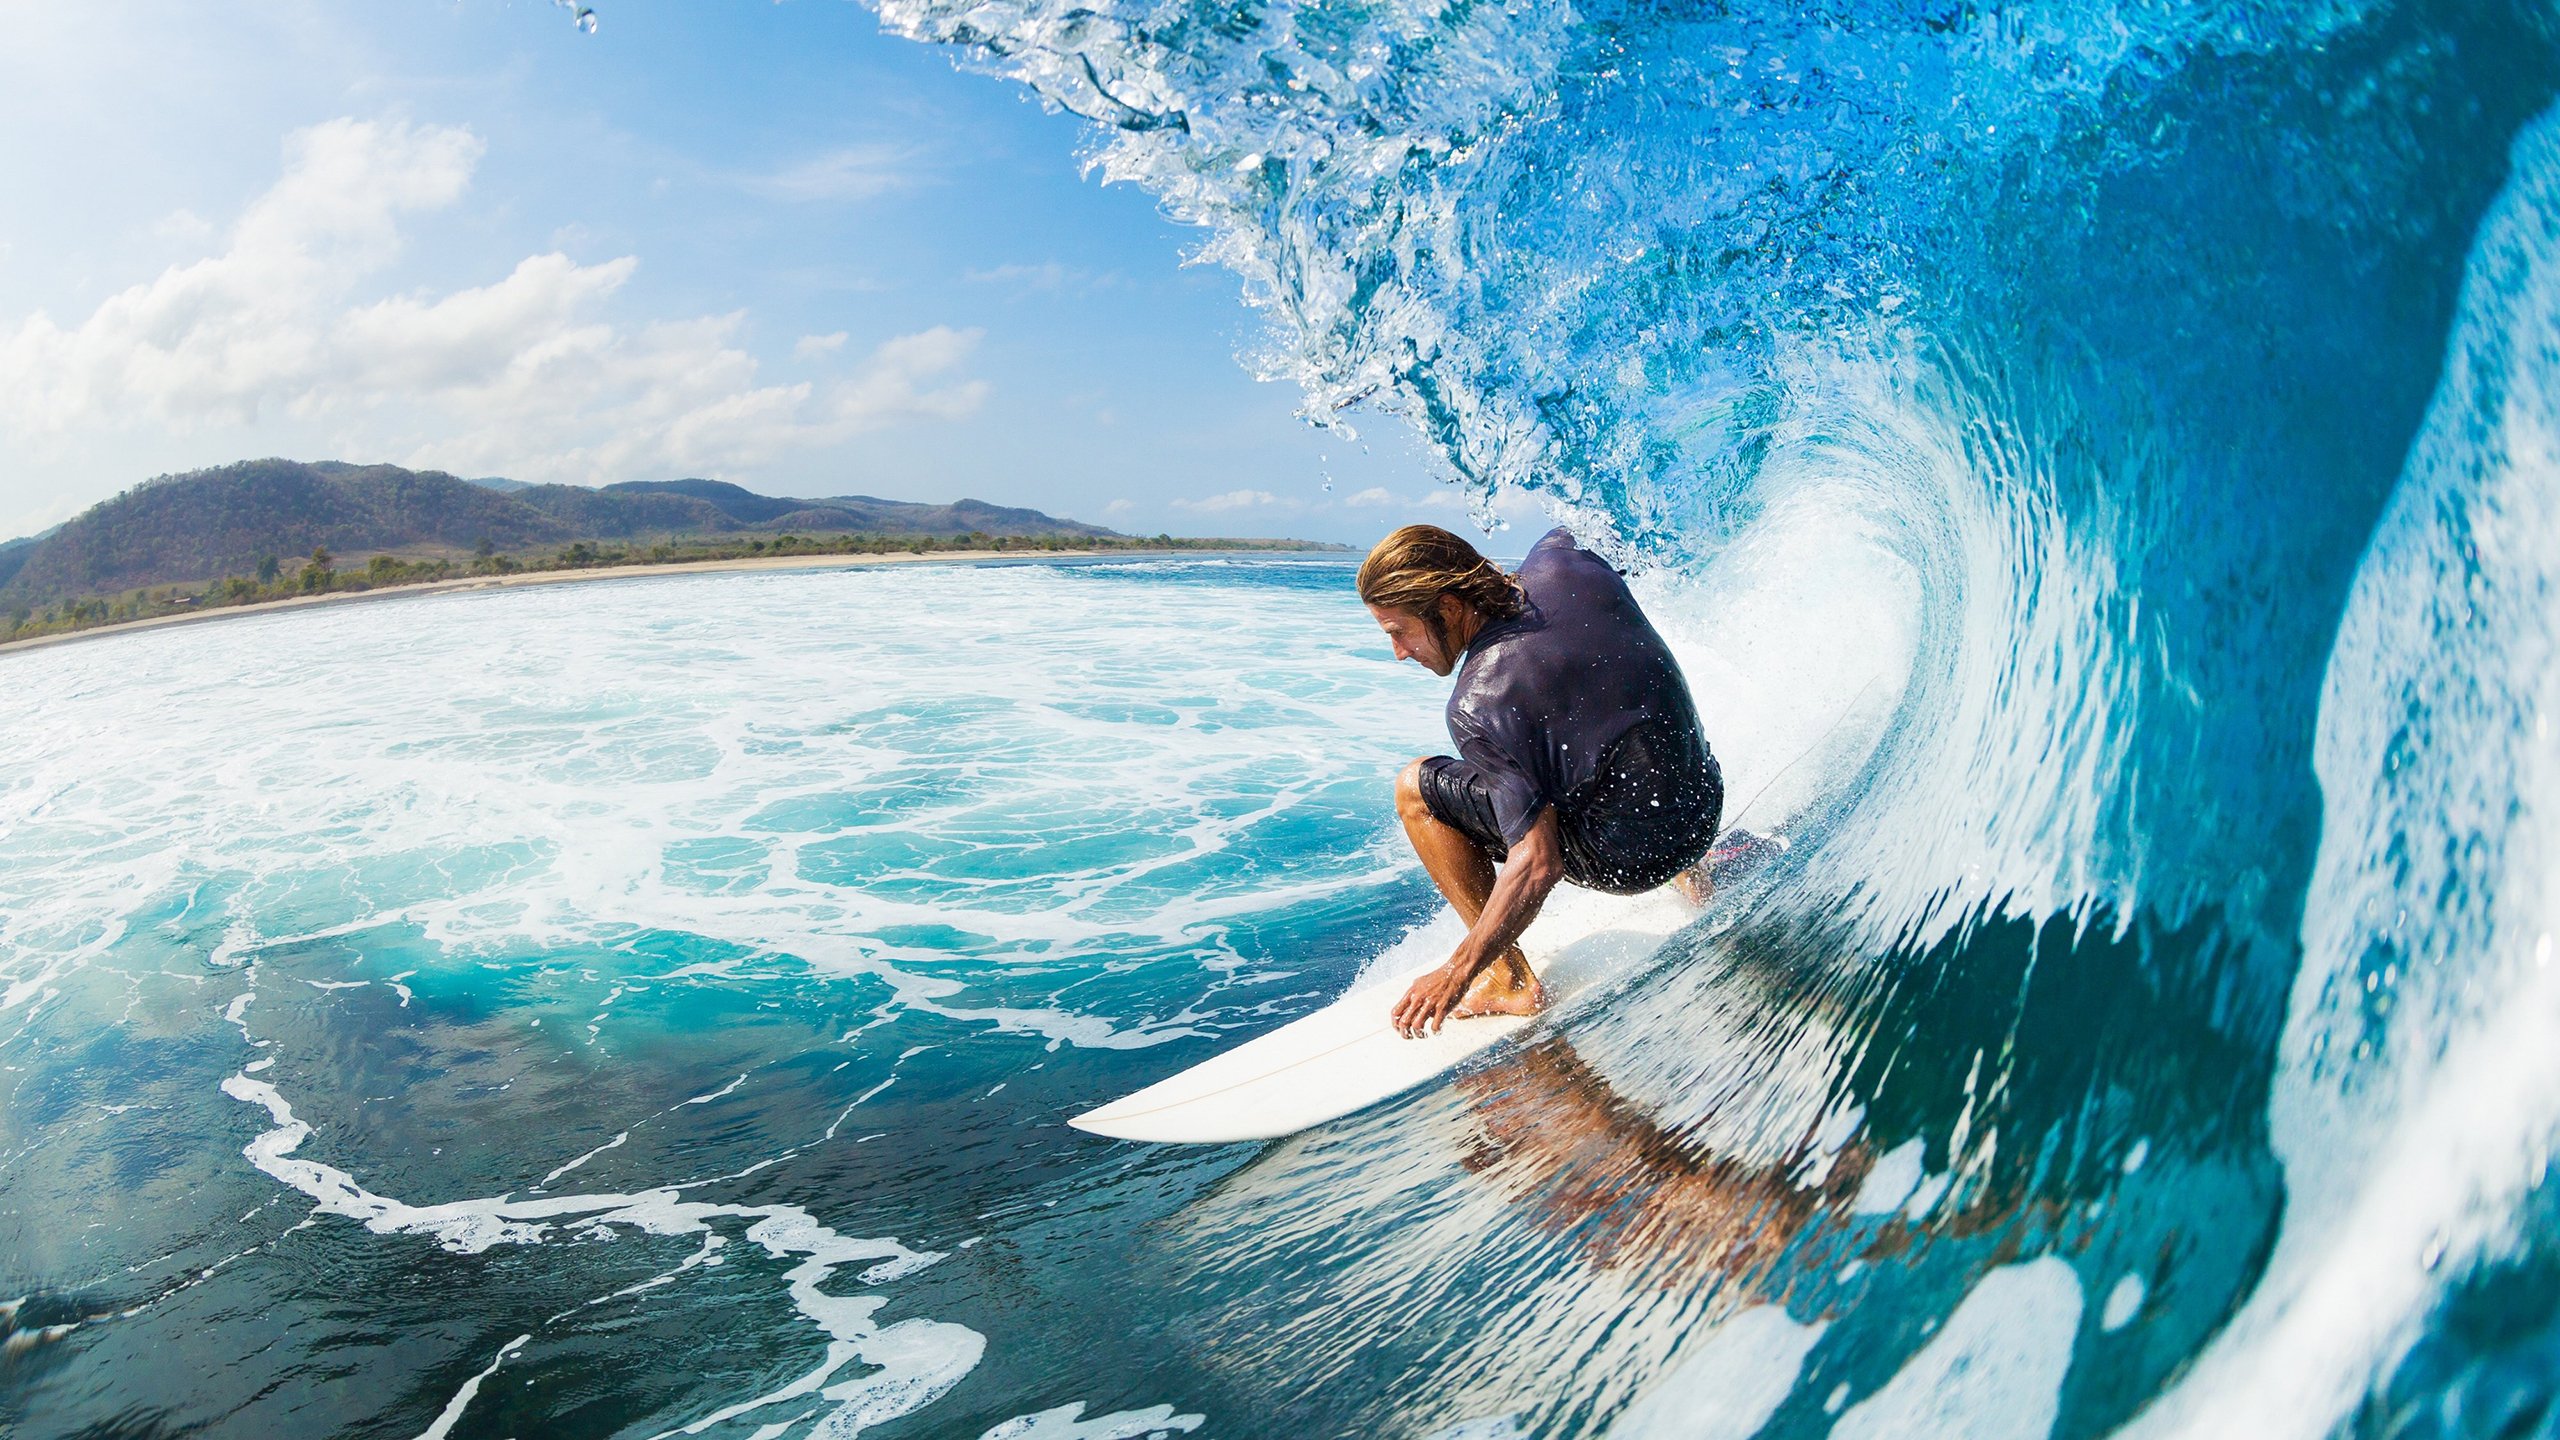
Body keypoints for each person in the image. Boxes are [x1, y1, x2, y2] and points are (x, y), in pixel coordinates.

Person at [1360, 524, 1723, 1038]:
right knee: (1593, 716)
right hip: (1702, 806)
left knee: (1414, 788)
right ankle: (1697, 874)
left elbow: (1538, 861)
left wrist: (1454, 973)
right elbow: (1588, 525)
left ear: (1446, 608)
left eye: (1399, 630)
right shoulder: (1564, 559)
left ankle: (1508, 980)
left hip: (1632, 862)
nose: (1398, 651)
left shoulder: (1477, 702)